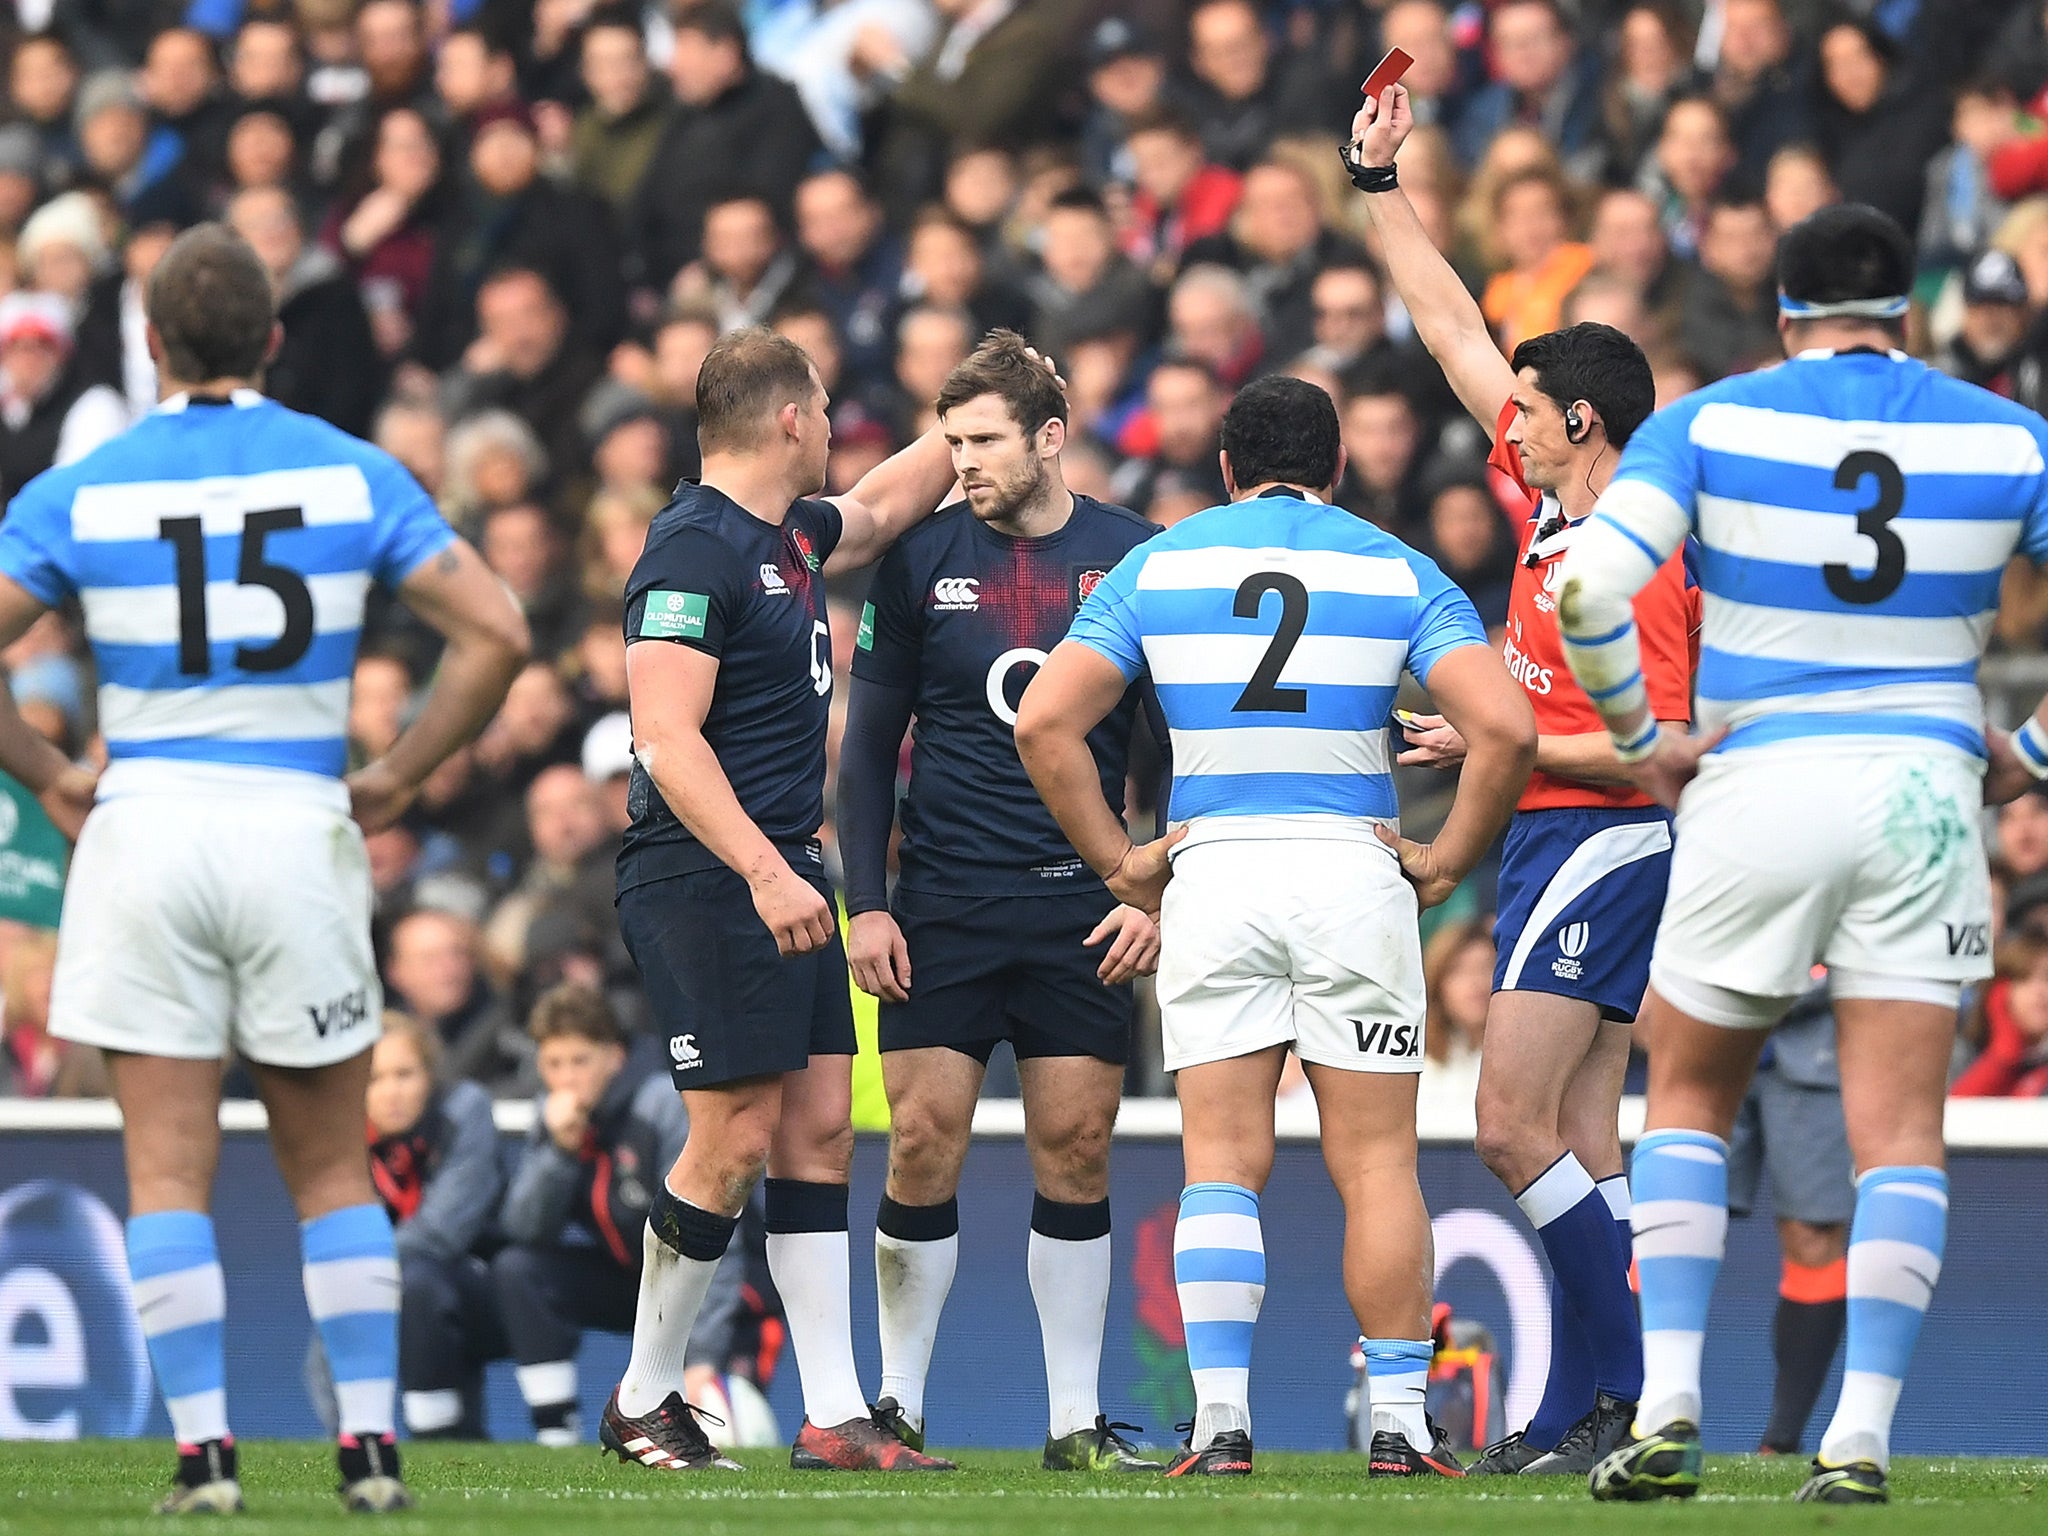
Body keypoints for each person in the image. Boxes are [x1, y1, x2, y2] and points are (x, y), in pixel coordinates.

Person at [0, 223, 529, 1513]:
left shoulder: (84, 488)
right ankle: (369, 1455)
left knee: (167, 1172)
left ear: (150, 343)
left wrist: (45, 770)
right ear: (275, 341)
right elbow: (497, 631)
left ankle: (205, 1462)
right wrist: (401, 773)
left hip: (146, 832)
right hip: (296, 828)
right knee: (335, 1169)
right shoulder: (350, 474)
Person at [1556, 203, 2048, 1504]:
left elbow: (1591, 592)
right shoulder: (2009, 434)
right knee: (1900, 1133)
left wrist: (1642, 736)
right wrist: (2036, 755)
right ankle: (1863, 1436)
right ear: (1911, 313)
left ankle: (1667, 1412)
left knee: (1692, 1093)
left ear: (1784, 314)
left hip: (1756, 776)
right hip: (1925, 787)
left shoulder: (1713, 420)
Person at [1015, 374, 1537, 1478]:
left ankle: (1218, 1426)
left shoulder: (1162, 563)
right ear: (1337, 468)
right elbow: (1504, 730)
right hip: (1351, 869)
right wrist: (1444, 860)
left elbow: (1046, 722)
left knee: (1220, 1156)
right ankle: (1397, 1424)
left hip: (1214, 871)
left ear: (1223, 471)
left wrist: (1119, 862)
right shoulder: (1393, 565)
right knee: (1376, 1160)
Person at [1345, 80, 1694, 1475]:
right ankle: (1587, 1409)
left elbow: (1650, 745)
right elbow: (1450, 325)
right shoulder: (1561, 504)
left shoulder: (1639, 551)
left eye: (1536, 412)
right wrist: (1379, 186)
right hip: (1552, 830)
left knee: (1503, 1126)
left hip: (1606, 834)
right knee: (1582, 1138)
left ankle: (1637, 1391)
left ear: (1590, 423)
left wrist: (1502, 737)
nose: (1514, 424)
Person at [605, 326, 969, 1474]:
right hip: (709, 876)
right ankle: (640, 1399)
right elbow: (664, 738)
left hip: (784, 876)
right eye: (822, 405)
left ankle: (829, 1414)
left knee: (819, 1133)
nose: (833, 423)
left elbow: (875, 505)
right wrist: (765, 870)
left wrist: (973, 412)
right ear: (788, 421)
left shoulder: (788, 540)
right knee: (733, 1138)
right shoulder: (689, 552)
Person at [835, 331, 1163, 1471]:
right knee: (920, 1141)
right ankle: (897, 1407)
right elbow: (868, 749)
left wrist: (1153, 885)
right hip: (943, 902)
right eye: (950, 439)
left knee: (1074, 1149)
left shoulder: (1134, 557)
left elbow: (1170, 744)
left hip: (1085, 905)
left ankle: (1073, 1422)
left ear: (1050, 438)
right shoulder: (918, 562)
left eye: (980, 440)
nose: (959, 460)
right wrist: (866, 902)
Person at [495, 983, 745, 1449]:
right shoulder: (553, 1117)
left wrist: (703, 1358)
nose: (566, 1078)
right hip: (636, 1282)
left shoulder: (661, 1106)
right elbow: (525, 1228)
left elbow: (715, 1235)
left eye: (579, 1061)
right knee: (520, 1269)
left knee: (737, 1432)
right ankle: (557, 1434)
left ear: (614, 1056)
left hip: (717, 1292)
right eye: (553, 1064)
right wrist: (559, 1152)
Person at [308, 1014, 506, 1441]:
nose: (391, 1092)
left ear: (430, 1076)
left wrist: (353, 1270)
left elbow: (442, 1233)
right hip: (394, 1283)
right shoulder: (340, 1139)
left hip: (488, 1289)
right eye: (374, 1079)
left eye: (404, 1074)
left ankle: (437, 1438)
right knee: (344, 1319)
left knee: (418, 1285)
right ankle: (351, 1442)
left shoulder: (465, 1109)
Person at [1725, 980, 1856, 1457]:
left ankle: (1781, 1440)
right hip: (1705, 1033)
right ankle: (1634, 1415)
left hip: (1814, 1048)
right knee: (1667, 1225)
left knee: (1814, 1236)